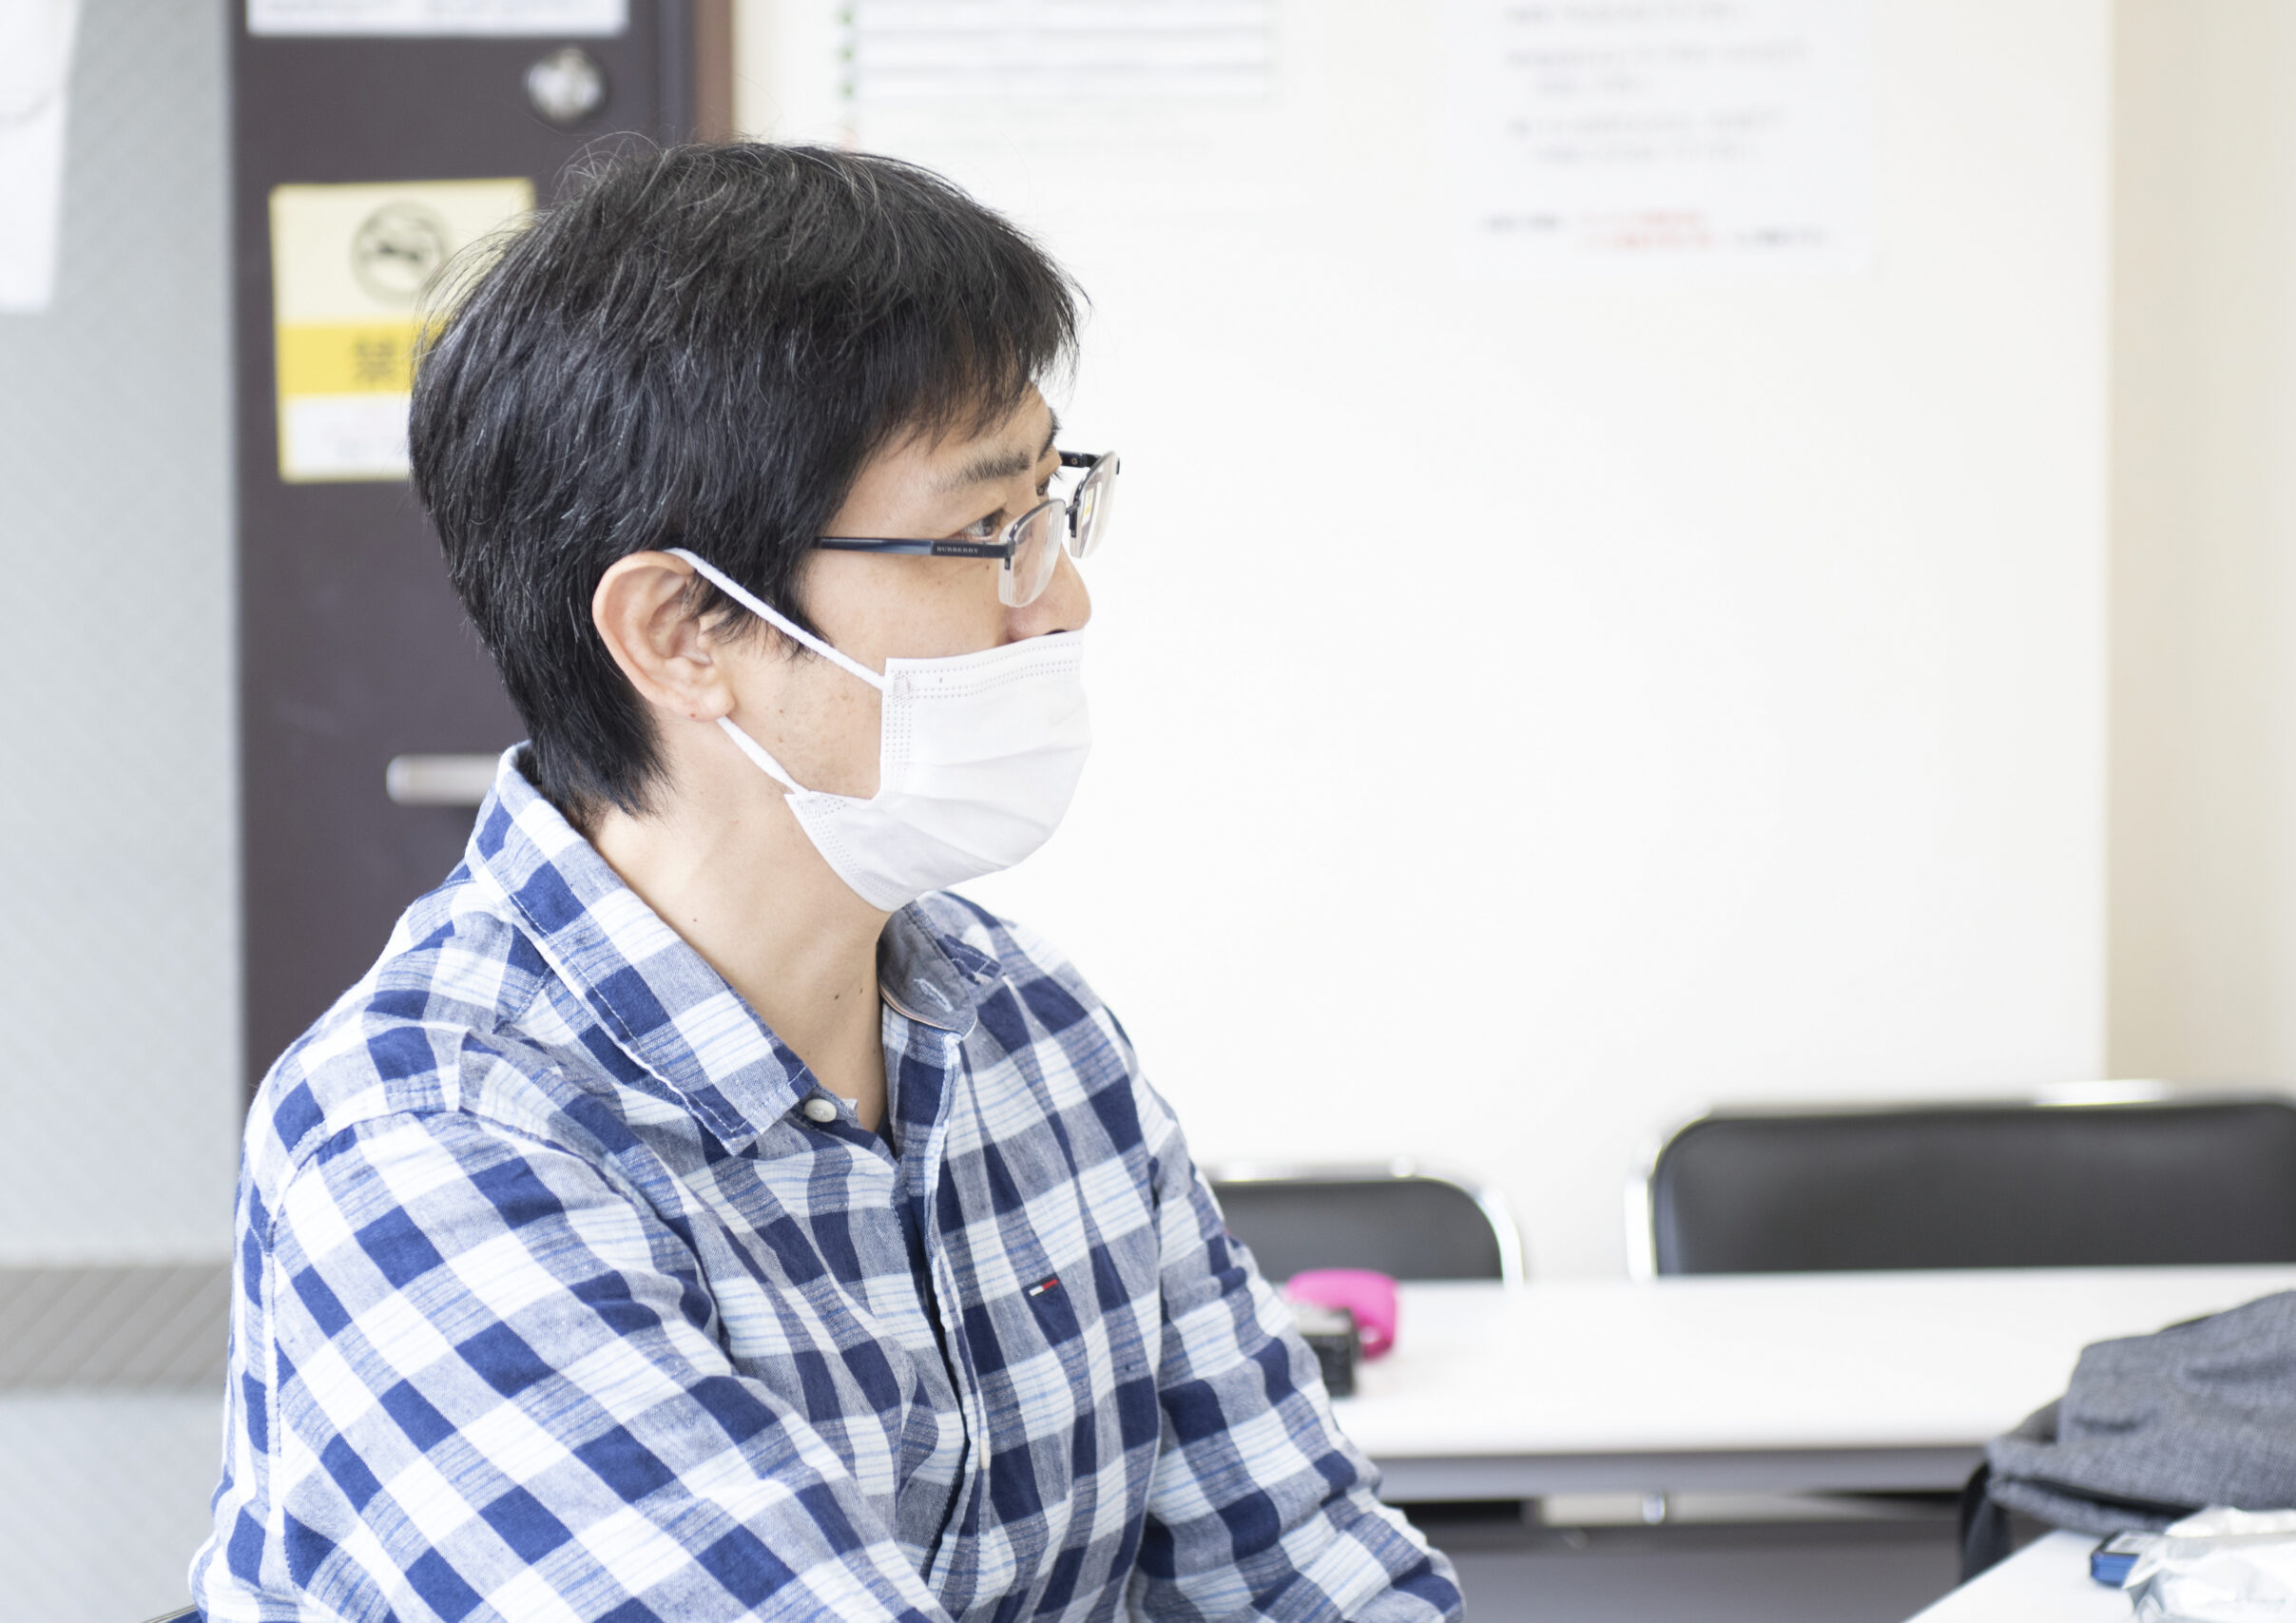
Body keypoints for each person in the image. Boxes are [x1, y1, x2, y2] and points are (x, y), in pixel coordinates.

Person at [189, 144, 1462, 1622]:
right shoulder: (434, 1144)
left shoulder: (1024, 1028)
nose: (1060, 596)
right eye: (985, 532)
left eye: (1053, 505)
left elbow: (1315, 1575)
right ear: (683, 630)